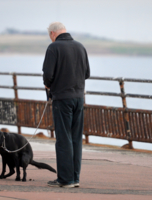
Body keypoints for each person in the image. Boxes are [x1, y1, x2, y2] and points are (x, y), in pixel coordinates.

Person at [42, 22, 90, 188]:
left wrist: (49, 85)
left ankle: (65, 179)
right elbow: (87, 73)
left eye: (50, 35)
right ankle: (75, 178)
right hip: (78, 98)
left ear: (53, 33)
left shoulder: (53, 48)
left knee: (63, 139)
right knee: (76, 138)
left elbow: (48, 75)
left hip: (62, 99)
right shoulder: (80, 46)